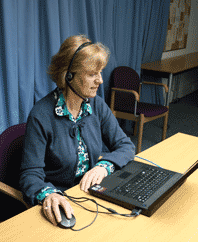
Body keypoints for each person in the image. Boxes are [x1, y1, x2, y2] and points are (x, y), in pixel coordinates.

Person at [19, 34, 135, 226]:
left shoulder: (97, 105)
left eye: (100, 72)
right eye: (92, 74)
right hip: (62, 201)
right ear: (68, 75)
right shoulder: (40, 115)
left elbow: (125, 146)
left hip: (92, 195)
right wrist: (49, 195)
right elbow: (30, 174)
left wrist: (103, 166)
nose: (100, 81)